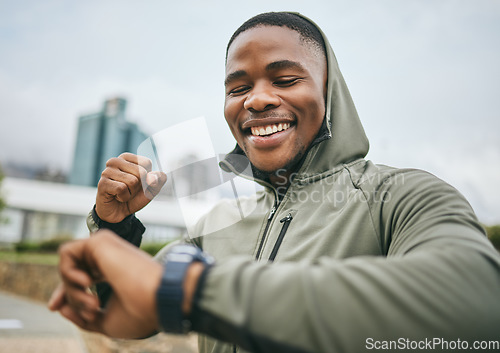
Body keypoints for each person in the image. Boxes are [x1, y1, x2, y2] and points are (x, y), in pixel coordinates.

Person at [49, 12, 500, 353]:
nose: (258, 99)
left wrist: (190, 291)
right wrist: (114, 230)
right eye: (237, 88)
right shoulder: (216, 222)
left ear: (329, 92)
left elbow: (480, 306)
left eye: (285, 79)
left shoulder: (400, 197)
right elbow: (124, 312)